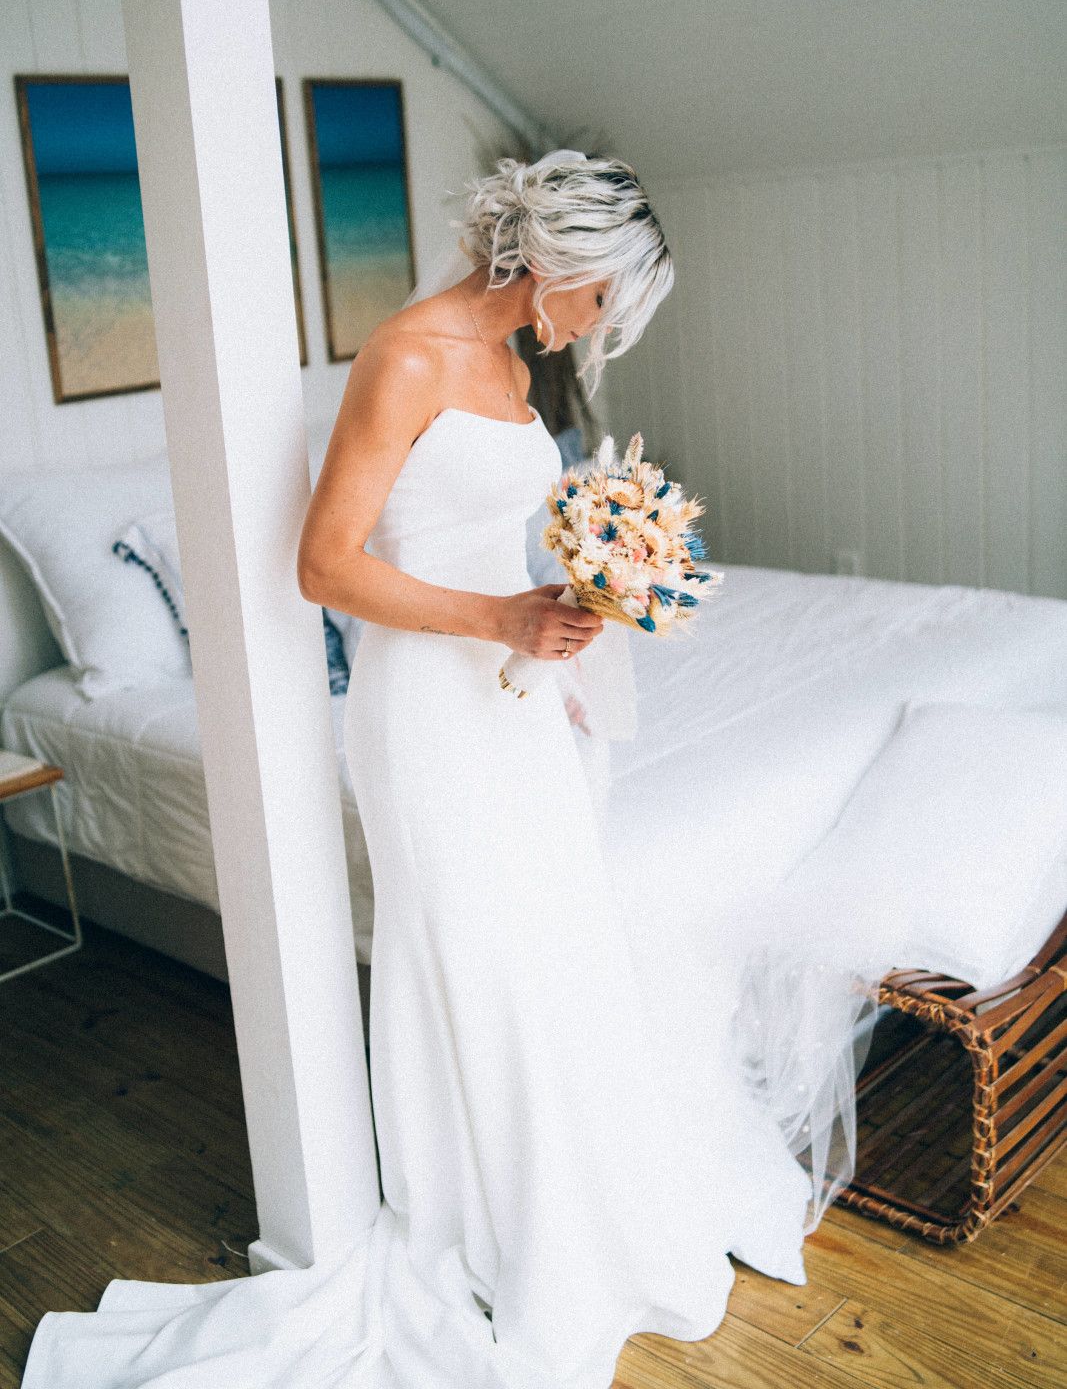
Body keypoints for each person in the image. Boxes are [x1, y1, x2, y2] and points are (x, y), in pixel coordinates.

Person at [19, 149, 815, 1389]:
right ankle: (484, 1227)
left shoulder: (510, 364)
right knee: (468, 958)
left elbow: (490, 537)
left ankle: (562, 1216)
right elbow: (327, 565)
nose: (601, 323)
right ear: (551, 258)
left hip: (514, 712)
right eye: (601, 294)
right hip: (427, 722)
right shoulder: (406, 353)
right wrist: (503, 620)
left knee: (542, 952)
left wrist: (570, 603)